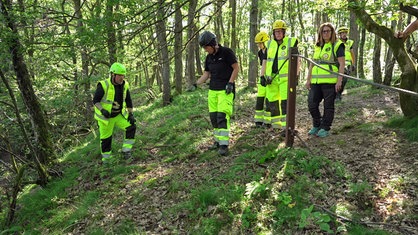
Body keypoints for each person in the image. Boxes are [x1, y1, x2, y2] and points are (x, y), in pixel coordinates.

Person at [195, 31, 239, 156]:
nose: (205, 50)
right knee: (214, 118)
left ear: (213, 44)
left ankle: (224, 145)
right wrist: (196, 84)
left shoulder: (227, 52)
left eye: (206, 47)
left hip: (225, 90)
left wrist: (230, 83)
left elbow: (236, 68)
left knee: (222, 117)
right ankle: (217, 141)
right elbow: (206, 74)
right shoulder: (209, 57)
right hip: (213, 91)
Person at [305, 22, 345, 137]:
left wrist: (339, 81)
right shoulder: (317, 46)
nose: (325, 33)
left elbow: (342, 64)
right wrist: (308, 79)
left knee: (328, 106)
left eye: (328, 31)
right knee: (312, 104)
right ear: (320, 33)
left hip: (330, 82)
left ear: (332, 32)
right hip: (316, 82)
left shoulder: (337, 45)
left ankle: (325, 127)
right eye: (323, 31)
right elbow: (312, 64)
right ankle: (317, 124)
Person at [260, 20, 299, 135]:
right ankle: (276, 126)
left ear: (284, 32)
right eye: (276, 31)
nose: (278, 34)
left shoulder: (291, 42)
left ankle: (286, 128)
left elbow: (298, 60)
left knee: (285, 103)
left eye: (280, 31)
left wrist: (296, 76)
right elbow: (265, 61)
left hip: (285, 79)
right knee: (272, 102)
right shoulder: (269, 44)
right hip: (271, 79)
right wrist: (262, 76)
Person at [93, 62, 136, 163]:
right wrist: (102, 110)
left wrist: (130, 114)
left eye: (123, 75)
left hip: (118, 116)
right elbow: (95, 101)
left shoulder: (125, 85)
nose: (122, 78)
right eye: (119, 75)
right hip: (106, 118)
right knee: (106, 140)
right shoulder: (103, 85)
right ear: (113, 75)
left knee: (131, 127)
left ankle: (126, 151)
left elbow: (128, 100)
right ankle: (107, 161)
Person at [254, 31, 271, 128]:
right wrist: (261, 76)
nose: (259, 45)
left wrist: (264, 76)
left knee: (269, 100)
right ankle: (258, 120)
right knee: (260, 98)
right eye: (258, 44)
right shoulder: (260, 52)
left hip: (269, 78)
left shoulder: (270, 50)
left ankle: (268, 121)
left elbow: (267, 64)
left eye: (260, 43)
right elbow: (262, 65)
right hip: (262, 78)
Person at [336, 26, 356, 101]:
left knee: (344, 80)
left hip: (347, 64)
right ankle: (336, 95)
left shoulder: (349, 43)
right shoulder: (336, 42)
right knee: (337, 79)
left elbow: (352, 53)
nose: (344, 34)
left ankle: (339, 93)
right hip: (337, 63)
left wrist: (353, 64)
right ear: (339, 34)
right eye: (342, 33)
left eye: (345, 33)